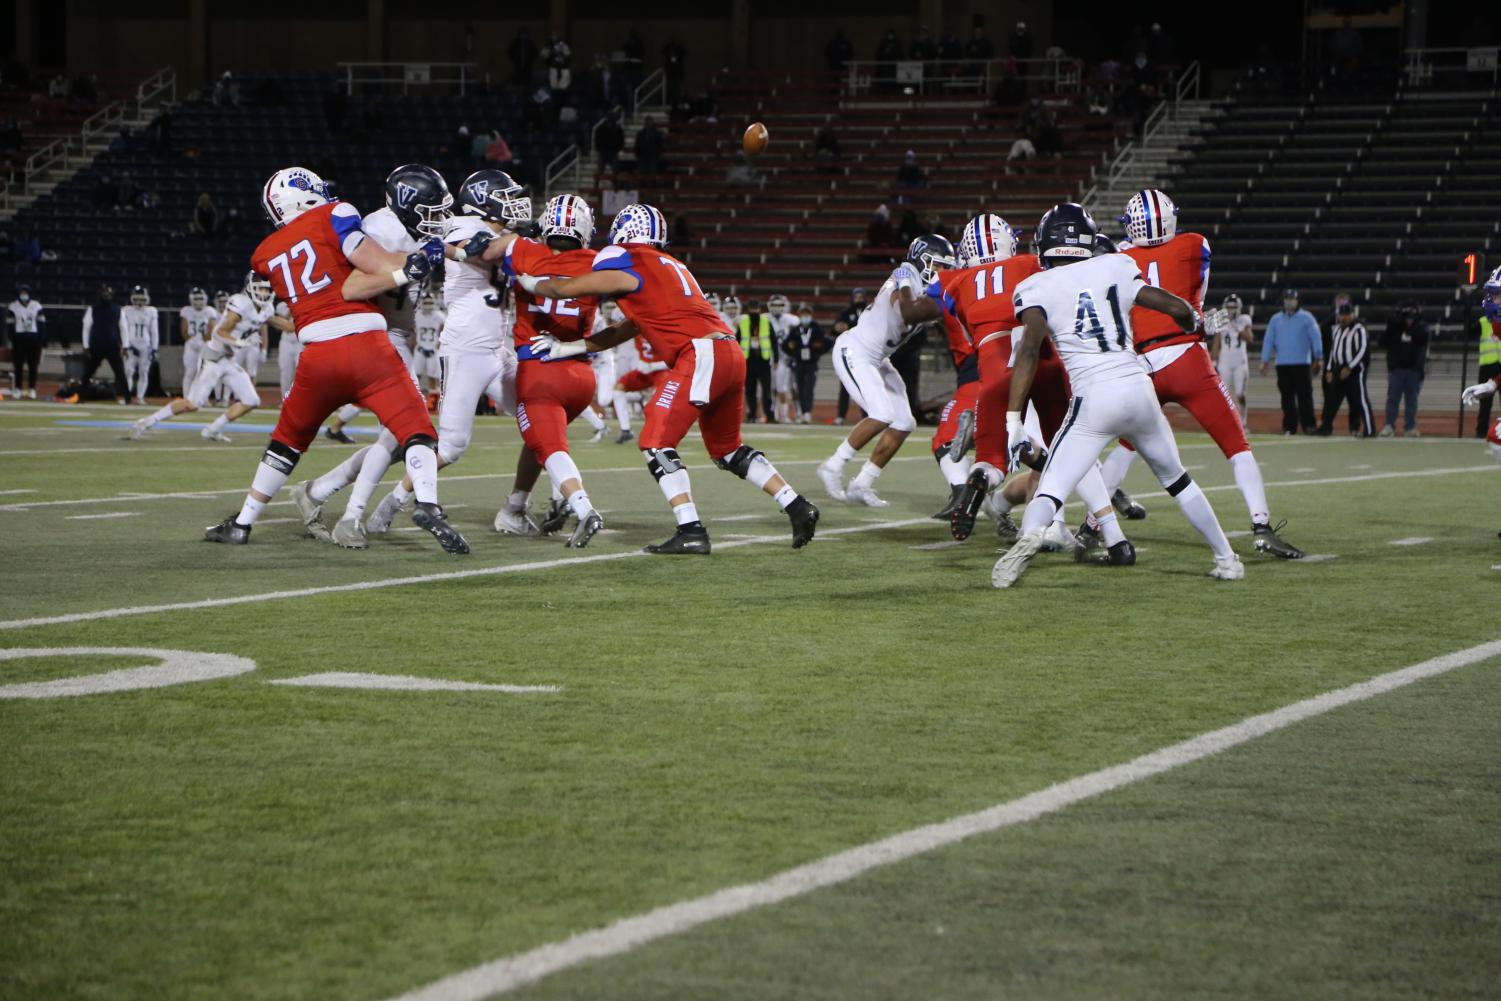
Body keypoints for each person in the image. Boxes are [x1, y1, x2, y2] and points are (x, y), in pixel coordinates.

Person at [514, 203, 819, 554]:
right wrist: (568, 349)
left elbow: (566, 289)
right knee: (727, 449)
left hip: (700, 353)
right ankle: (797, 505)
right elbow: (626, 328)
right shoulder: (673, 266)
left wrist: (524, 274)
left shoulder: (629, 258)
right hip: (727, 352)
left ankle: (690, 528)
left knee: (655, 440)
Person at [203, 165, 466, 554]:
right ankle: (428, 502)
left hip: (315, 354)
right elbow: (374, 266)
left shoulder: (264, 253)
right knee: (417, 430)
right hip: (365, 343)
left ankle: (242, 522)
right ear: (306, 196)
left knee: (286, 443)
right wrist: (408, 266)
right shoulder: (336, 213)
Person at [992, 203, 1242, 588]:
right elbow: (1174, 306)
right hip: (1139, 389)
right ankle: (1227, 558)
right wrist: (1194, 320)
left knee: (1053, 486)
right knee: (1179, 481)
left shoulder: (1036, 287)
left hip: (1094, 397)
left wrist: (1012, 419)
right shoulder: (1116, 265)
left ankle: (1029, 537)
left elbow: (1028, 350)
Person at [312, 165, 516, 546]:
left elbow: (435, 245)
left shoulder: (414, 225)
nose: (439, 220)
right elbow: (352, 288)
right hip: (373, 331)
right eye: (431, 212)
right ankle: (353, 516)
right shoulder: (379, 229)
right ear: (407, 206)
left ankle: (320, 491)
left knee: (397, 436)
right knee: (402, 427)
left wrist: (457, 250)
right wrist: (407, 270)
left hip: (396, 335)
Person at [1102, 191, 1302, 558]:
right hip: (1187, 358)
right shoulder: (1195, 245)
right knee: (1237, 446)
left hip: (1142, 364)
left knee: (1128, 445)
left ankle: (1091, 524)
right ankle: (1261, 526)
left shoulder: (1119, 258)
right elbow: (1195, 304)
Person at [817, 234, 958, 507]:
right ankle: (833, 465)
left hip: (878, 358)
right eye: (938, 265)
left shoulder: (924, 286)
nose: (943, 272)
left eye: (946, 267)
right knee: (882, 414)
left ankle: (862, 483)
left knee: (905, 422)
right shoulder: (904, 280)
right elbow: (906, 311)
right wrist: (905, 280)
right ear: (921, 260)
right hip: (855, 351)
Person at [131, 273, 285, 442]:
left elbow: (286, 325)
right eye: (261, 288)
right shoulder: (241, 303)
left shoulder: (267, 309)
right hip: (213, 358)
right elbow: (218, 333)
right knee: (193, 404)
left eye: (267, 289)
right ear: (250, 288)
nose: (264, 293)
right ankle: (146, 422)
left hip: (228, 360)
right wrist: (240, 342)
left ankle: (212, 430)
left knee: (252, 400)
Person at [1259, 289, 1322, 434]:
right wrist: (1264, 360)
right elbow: (1268, 340)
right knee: (1287, 399)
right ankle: (1289, 427)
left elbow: (1316, 338)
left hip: (1302, 364)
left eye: (1292, 299)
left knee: (1305, 397)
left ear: (1298, 300)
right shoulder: (1275, 319)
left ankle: (1309, 426)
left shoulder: (1307, 318)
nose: (1289, 302)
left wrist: (1318, 357)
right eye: (1287, 299)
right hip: (1282, 364)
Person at [1320, 301, 1374, 437]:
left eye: (1346, 315)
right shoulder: (1337, 329)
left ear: (1352, 315)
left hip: (1355, 369)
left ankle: (1370, 430)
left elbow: (1362, 349)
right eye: (1341, 315)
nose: (1343, 318)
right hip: (1339, 368)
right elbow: (1333, 350)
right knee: (1331, 400)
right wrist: (1329, 369)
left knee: (1360, 399)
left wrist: (1350, 367)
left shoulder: (1359, 328)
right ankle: (1325, 427)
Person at [1380, 302, 1427, 437]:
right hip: (1397, 369)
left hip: (1413, 370)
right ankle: (1389, 425)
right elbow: (1382, 341)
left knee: (1411, 400)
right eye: (1407, 317)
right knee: (1393, 399)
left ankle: (1410, 426)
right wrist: (1393, 326)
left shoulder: (1420, 329)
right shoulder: (1394, 330)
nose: (1409, 320)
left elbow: (1422, 339)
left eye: (1412, 318)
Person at [1209, 293, 1253, 422]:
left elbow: (1249, 338)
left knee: (1240, 394)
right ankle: (1227, 421)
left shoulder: (1244, 319)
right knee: (1224, 395)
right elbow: (1217, 343)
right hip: (1225, 362)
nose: (1231, 310)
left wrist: (1239, 329)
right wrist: (1213, 360)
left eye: (1234, 307)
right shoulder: (1221, 321)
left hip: (1240, 362)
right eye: (1229, 307)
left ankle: (1243, 420)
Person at [783, 302, 829, 424]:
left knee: (809, 388)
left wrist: (817, 353)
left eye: (807, 314)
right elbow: (785, 345)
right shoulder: (796, 329)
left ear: (811, 315)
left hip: (811, 363)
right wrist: (794, 353)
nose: (805, 316)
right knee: (800, 388)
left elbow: (827, 343)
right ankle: (803, 413)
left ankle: (807, 412)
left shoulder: (816, 328)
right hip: (799, 363)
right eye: (802, 314)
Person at [736, 298, 777, 423]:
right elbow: (737, 341)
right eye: (752, 308)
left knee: (767, 390)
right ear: (749, 310)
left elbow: (774, 341)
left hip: (763, 360)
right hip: (748, 360)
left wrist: (777, 359)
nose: (754, 311)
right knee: (750, 391)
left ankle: (769, 416)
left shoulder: (766, 322)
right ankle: (752, 415)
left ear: (760, 309)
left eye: (756, 308)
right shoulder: (743, 323)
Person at [830, 287, 867, 424]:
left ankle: (867, 415)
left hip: (865, 353)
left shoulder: (869, 311)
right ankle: (841, 416)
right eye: (856, 297)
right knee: (845, 386)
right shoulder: (845, 313)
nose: (858, 299)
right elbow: (835, 329)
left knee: (865, 386)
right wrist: (837, 328)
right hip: (848, 353)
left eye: (860, 297)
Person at [119, 285, 159, 404]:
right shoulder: (126, 310)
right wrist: (126, 345)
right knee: (128, 371)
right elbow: (123, 329)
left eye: (142, 299)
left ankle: (140, 397)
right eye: (137, 299)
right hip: (131, 345)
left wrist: (155, 348)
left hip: (145, 346)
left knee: (143, 372)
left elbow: (154, 331)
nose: (139, 302)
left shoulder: (151, 311)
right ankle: (127, 397)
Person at [179, 287, 218, 395]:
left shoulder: (210, 311)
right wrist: (191, 341)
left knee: (204, 373)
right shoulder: (186, 311)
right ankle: (186, 397)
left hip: (205, 345)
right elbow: (184, 330)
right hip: (190, 345)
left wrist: (204, 342)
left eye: (201, 298)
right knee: (190, 372)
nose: (199, 301)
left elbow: (212, 330)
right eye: (196, 298)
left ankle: (202, 398)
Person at [7, 286, 45, 398]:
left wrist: (40, 339)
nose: (24, 295)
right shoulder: (13, 306)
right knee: (18, 366)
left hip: (33, 340)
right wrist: (13, 338)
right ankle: (18, 389)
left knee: (33, 366)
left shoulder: (37, 306)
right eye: (22, 293)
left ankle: (32, 389)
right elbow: (9, 325)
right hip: (19, 340)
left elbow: (42, 324)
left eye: (26, 293)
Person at [1473, 292, 1501, 438]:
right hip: (1488, 366)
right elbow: (1470, 333)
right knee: (1485, 403)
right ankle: (1481, 430)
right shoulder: (1483, 321)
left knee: (1485, 403)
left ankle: (1484, 431)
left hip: (1497, 367)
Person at [409, 292, 444, 394]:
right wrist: (414, 346)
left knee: (433, 377)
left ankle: (432, 406)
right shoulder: (416, 315)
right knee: (415, 376)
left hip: (433, 349)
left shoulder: (440, 316)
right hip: (420, 348)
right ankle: (414, 400)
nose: (428, 304)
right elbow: (413, 332)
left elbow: (444, 333)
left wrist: (438, 347)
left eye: (430, 302)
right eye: (426, 302)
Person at [274, 300, 299, 400]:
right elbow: (279, 326)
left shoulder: (303, 301)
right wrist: (291, 308)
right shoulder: (281, 306)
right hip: (286, 342)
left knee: (301, 372)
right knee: (286, 373)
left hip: (300, 342)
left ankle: (300, 399)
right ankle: (285, 400)